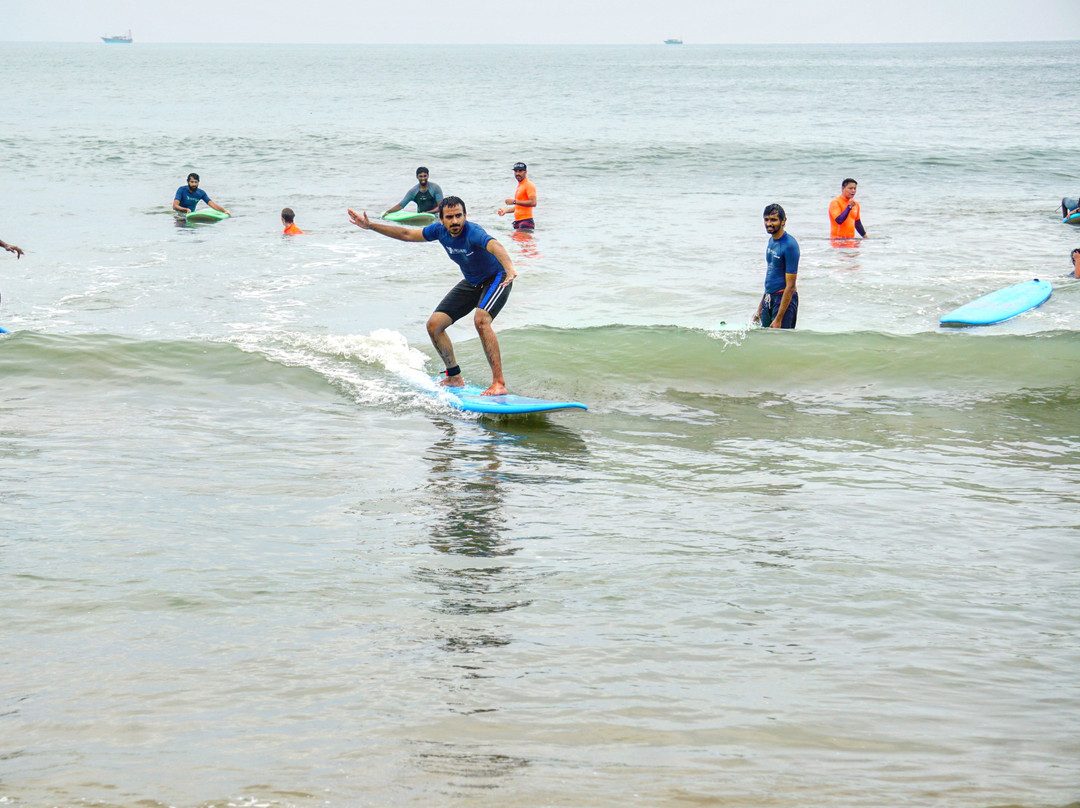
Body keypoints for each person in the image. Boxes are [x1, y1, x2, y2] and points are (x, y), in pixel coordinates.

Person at [348, 196, 518, 396]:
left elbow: (495, 246)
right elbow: (406, 234)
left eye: (458, 216)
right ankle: (454, 377)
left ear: (465, 216)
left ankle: (499, 383)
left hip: (498, 277)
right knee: (434, 325)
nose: (455, 221)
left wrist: (509, 269)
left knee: (481, 321)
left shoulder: (473, 232)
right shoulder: (439, 231)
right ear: (441, 219)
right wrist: (371, 226)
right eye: (449, 217)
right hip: (473, 281)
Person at [753, 203, 799, 329]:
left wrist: (779, 318)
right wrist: (759, 310)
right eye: (766, 219)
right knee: (765, 338)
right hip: (769, 298)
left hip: (783, 300)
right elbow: (771, 277)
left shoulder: (790, 245)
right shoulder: (771, 241)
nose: (769, 224)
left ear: (783, 221)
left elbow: (791, 286)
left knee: (781, 339)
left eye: (773, 220)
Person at [497, 162, 537, 231]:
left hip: (526, 221)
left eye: (520, 171)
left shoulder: (529, 185)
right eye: (516, 171)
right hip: (518, 222)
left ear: (525, 172)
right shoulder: (520, 185)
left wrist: (514, 201)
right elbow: (519, 207)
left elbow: (533, 203)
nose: (517, 173)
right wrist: (506, 211)